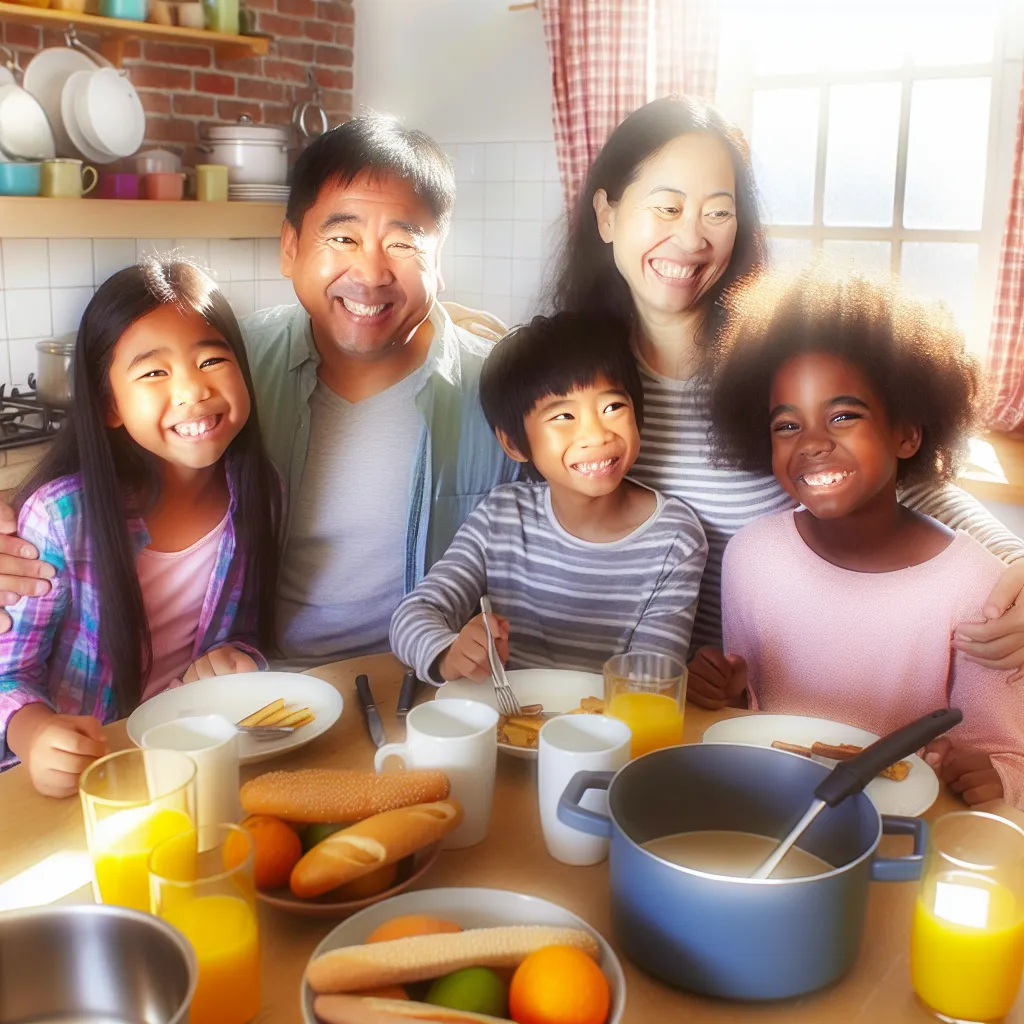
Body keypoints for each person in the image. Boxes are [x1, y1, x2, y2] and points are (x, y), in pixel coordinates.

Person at [550, 94, 1024, 697]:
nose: (691, 238)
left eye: (718, 214)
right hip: (615, 690)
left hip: (766, 697)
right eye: (666, 207)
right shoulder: (576, 377)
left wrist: (1016, 561)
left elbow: (909, 478)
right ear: (608, 214)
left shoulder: (773, 363)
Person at [0, 115, 517, 667]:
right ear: (290, 246)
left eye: (402, 244)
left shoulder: (504, 391)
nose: (370, 272)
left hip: (428, 688)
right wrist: (14, 520)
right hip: (261, 688)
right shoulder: (225, 369)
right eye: (341, 237)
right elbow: (107, 471)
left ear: (440, 259)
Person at [707, 264, 1024, 807]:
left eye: (843, 416)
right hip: (771, 814)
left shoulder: (976, 586)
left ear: (907, 434)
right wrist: (729, 695)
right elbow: (752, 716)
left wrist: (997, 777)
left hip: (904, 839)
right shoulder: (752, 557)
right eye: (787, 425)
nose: (811, 442)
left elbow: (1004, 752)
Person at [0, 260, 281, 797]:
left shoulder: (260, 495)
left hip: (194, 762)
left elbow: (244, 631)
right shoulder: (62, 519)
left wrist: (237, 659)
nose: (193, 390)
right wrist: (35, 734)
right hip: (84, 779)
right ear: (109, 404)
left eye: (212, 359)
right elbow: (8, 672)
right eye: (154, 372)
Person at [389, 312, 707, 682]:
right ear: (513, 443)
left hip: (611, 731)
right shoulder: (500, 518)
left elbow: (651, 676)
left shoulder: (675, 536)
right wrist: (448, 653)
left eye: (613, 407)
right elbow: (412, 615)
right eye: (563, 416)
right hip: (505, 722)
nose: (596, 435)